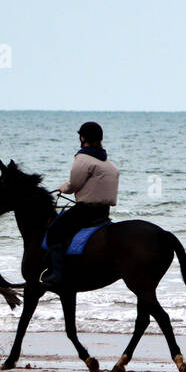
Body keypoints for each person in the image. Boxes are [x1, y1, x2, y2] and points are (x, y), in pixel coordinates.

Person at [42, 121, 120, 288]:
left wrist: (64, 187)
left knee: (54, 232)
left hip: (86, 211)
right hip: (103, 212)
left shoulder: (83, 159)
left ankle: (57, 274)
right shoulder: (108, 163)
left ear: (83, 137)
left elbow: (74, 186)